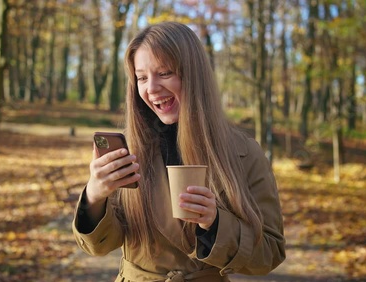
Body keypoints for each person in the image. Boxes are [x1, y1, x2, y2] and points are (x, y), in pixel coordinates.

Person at [72, 21, 285, 281]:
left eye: (164, 73)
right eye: (141, 77)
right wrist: (95, 195)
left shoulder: (244, 153)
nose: (151, 88)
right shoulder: (129, 152)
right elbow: (100, 245)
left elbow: (270, 253)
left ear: (193, 75)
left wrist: (214, 223)